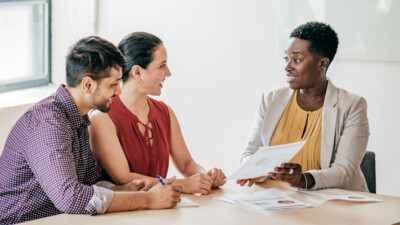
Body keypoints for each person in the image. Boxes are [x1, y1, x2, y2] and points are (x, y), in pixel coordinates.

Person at [0, 36, 181, 224]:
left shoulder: (78, 118)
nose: (118, 91)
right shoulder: (49, 123)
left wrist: (124, 189)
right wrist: (148, 200)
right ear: (88, 85)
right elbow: (70, 198)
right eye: (113, 84)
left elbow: (89, 180)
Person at [237, 22, 369, 192]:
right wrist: (256, 171)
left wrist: (303, 179)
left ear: (322, 63)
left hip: (332, 204)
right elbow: (249, 154)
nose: (287, 67)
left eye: (297, 60)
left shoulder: (352, 105)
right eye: (287, 59)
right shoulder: (270, 99)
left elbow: (345, 171)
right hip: (278, 200)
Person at [89, 32, 226, 195]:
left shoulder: (165, 112)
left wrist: (206, 175)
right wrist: (181, 185)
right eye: (162, 66)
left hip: (161, 208)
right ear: (137, 72)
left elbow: (187, 164)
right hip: (121, 214)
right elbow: (123, 178)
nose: (168, 73)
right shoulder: (102, 117)